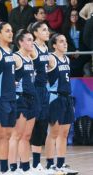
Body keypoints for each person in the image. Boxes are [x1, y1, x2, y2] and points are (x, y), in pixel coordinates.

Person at [44, 33, 79, 174]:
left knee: (64, 133)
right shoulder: (50, 58)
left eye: (65, 41)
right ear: (54, 45)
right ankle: (49, 164)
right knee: (53, 133)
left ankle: (61, 164)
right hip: (55, 98)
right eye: (61, 42)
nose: (65, 44)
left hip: (67, 98)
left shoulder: (66, 59)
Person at [8, 29, 36, 174]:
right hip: (20, 99)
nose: (32, 42)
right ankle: (12, 168)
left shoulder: (30, 58)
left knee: (26, 136)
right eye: (29, 39)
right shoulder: (16, 58)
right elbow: (8, 79)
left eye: (32, 39)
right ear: (20, 42)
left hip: (31, 99)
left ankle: (25, 167)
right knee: (16, 135)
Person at [0, 22, 15, 174]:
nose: (10, 33)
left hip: (11, 97)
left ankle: (4, 169)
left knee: (7, 135)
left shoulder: (10, 50)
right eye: (7, 31)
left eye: (11, 30)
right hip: (0, 98)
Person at [29, 21, 51, 174]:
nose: (47, 32)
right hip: (34, 90)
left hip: (45, 89)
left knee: (42, 127)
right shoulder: (32, 48)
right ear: (35, 33)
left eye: (47, 30)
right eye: (44, 30)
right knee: (30, 128)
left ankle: (37, 164)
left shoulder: (45, 47)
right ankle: (24, 164)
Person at [62, 9, 90, 77]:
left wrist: (79, 51)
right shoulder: (65, 28)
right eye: (72, 15)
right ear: (69, 16)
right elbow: (65, 42)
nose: (74, 17)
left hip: (82, 52)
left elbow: (85, 41)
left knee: (79, 65)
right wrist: (73, 52)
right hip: (71, 53)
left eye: (76, 15)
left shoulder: (83, 26)